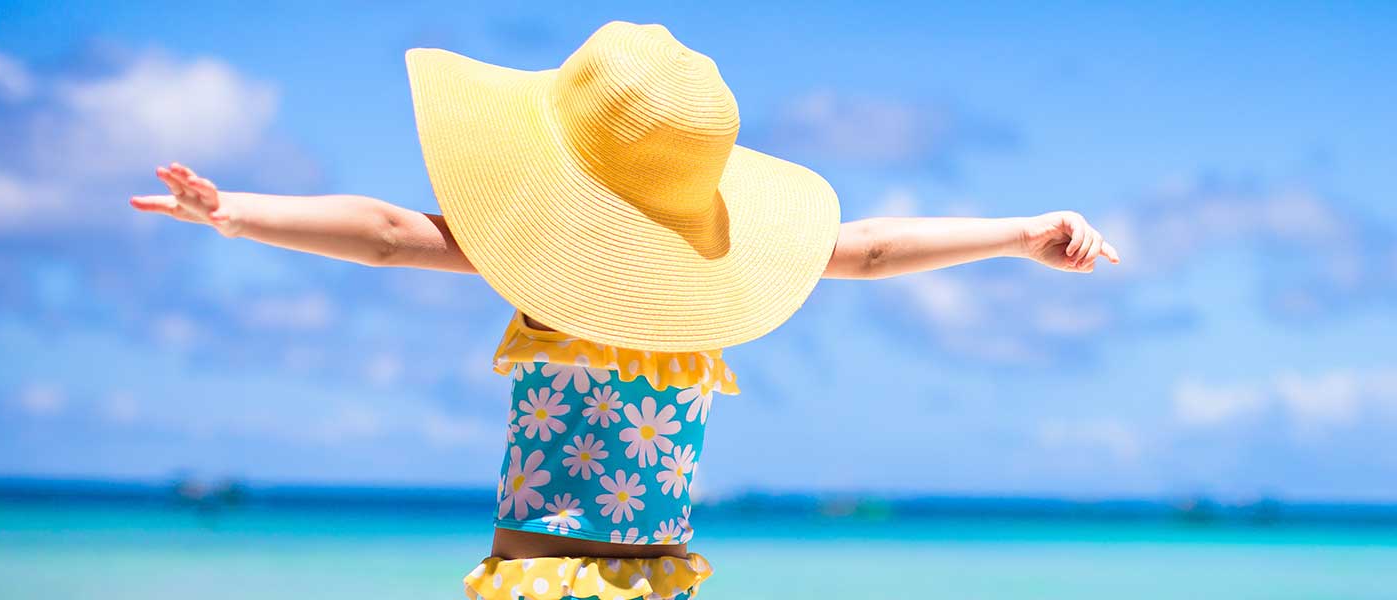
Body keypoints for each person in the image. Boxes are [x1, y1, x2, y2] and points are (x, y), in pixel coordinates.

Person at [129, 20, 1117, 600]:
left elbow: (389, 232)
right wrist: (236, 212)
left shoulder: (613, 271)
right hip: (570, 583)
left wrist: (1023, 233)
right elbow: (384, 229)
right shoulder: (567, 269)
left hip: (645, 582)